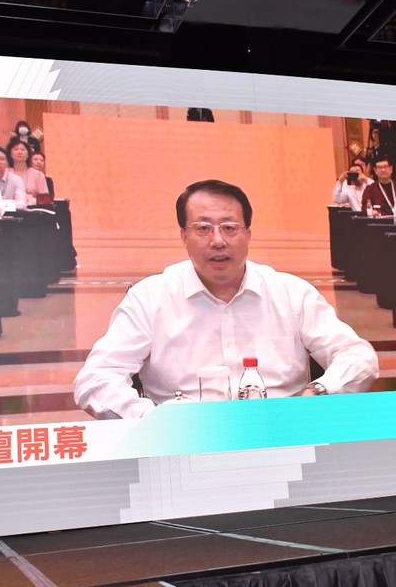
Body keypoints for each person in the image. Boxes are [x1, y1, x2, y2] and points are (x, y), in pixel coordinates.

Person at [74, 179, 379, 419]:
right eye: (203, 228)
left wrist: (317, 393)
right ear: (183, 236)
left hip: (282, 435)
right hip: (185, 445)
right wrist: (153, 419)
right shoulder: (149, 298)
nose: (218, 240)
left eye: (230, 228)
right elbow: (96, 379)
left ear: (248, 234)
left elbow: (357, 356)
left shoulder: (291, 292)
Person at [8, 141, 50, 206]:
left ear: (28, 155)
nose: (19, 152)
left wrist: (31, 199)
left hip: (33, 209)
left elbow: (45, 200)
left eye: (23, 150)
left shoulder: (38, 174)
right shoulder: (5, 173)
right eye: (16, 149)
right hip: (10, 208)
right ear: (10, 154)